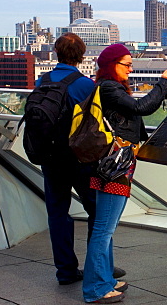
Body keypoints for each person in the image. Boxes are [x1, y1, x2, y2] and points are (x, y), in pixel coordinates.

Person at [83, 44, 167, 303]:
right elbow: (142, 108)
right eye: (126, 64)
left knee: (103, 226)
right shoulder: (110, 88)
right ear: (112, 64)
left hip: (106, 161)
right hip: (116, 165)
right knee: (104, 228)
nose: (131, 68)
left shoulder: (103, 87)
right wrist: (163, 84)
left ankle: (105, 280)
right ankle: (95, 289)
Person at [38, 33, 126, 285]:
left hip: (50, 158)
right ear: (82, 55)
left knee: (57, 213)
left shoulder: (42, 81)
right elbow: (98, 124)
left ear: (56, 53)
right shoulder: (85, 85)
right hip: (79, 159)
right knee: (97, 214)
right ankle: (97, 268)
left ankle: (65, 271)